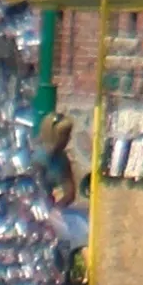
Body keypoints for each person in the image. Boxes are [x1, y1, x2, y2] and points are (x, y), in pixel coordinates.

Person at [33, 113, 90, 267]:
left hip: (51, 208)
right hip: (32, 210)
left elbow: (69, 192)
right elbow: (33, 191)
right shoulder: (37, 157)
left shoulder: (61, 159)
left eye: (68, 135)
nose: (68, 139)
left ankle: (91, 273)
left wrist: (58, 206)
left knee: (86, 224)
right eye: (64, 135)